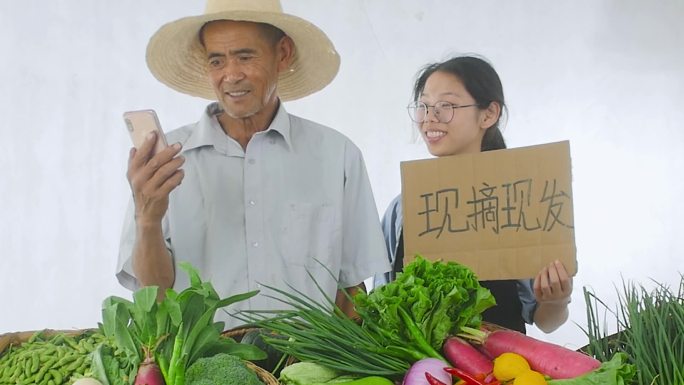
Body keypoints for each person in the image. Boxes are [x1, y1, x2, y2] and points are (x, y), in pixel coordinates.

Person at [116, 0, 390, 328]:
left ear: (283, 54)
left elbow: (353, 290)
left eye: (245, 56)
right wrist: (147, 217)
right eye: (217, 60)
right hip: (196, 369)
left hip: (301, 370)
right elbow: (155, 293)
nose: (231, 75)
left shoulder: (337, 155)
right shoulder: (166, 163)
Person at [375, 55, 572, 334]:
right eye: (424, 106)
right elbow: (382, 303)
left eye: (446, 106)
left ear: (488, 114)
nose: (430, 118)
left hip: (497, 372)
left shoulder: (520, 201)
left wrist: (557, 300)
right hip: (415, 373)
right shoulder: (403, 208)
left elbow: (546, 321)